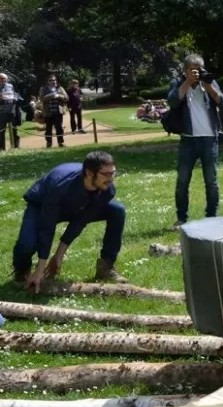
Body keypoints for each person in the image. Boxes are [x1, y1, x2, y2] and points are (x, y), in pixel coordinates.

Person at [12, 151, 128, 290]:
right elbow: (47, 227)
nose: (111, 179)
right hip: (41, 205)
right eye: (106, 174)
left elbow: (81, 221)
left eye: (113, 173)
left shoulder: (107, 190)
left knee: (117, 210)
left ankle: (106, 267)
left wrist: (58, 256)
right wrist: (40, 268)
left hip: (76, 206)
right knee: (27, 243)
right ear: (90, 173)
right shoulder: (60, 186)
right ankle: (22, 271)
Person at [167, 53, 223, 230]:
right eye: (191, 70)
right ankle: (181, 218)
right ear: (185, 70)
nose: (196, 73)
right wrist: (187, 82)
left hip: (210, 139)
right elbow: (172, 101)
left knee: (211, 181)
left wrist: (208, 86)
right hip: (188, 140)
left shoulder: (208, 81)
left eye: (198, 69)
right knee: (183, 180)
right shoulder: (178, 83)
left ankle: (212, 217)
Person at [39, 75, 67, 148]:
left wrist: (59, 96)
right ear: (48, 82)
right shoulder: (43, 89)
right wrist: (50, 96)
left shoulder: (60, 88)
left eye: (54, 80)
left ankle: (60, 142)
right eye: (51, 80)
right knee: (48, 129)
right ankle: (49, 143)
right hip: (48, 112)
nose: (53, 81)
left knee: (59, 128)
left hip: (58, 111)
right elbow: (41, 99)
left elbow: (66, 97)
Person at [0, 73, 23, 151]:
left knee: (14, 129)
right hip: (1, 112)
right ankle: (2, 148)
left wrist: (15, 98)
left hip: (12, 111)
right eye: (1, 78)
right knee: (1, 131)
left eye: (4, 78)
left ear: (7, 79)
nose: (2, 80)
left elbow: (17, 95)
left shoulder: (11, 86)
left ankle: (15, 146)